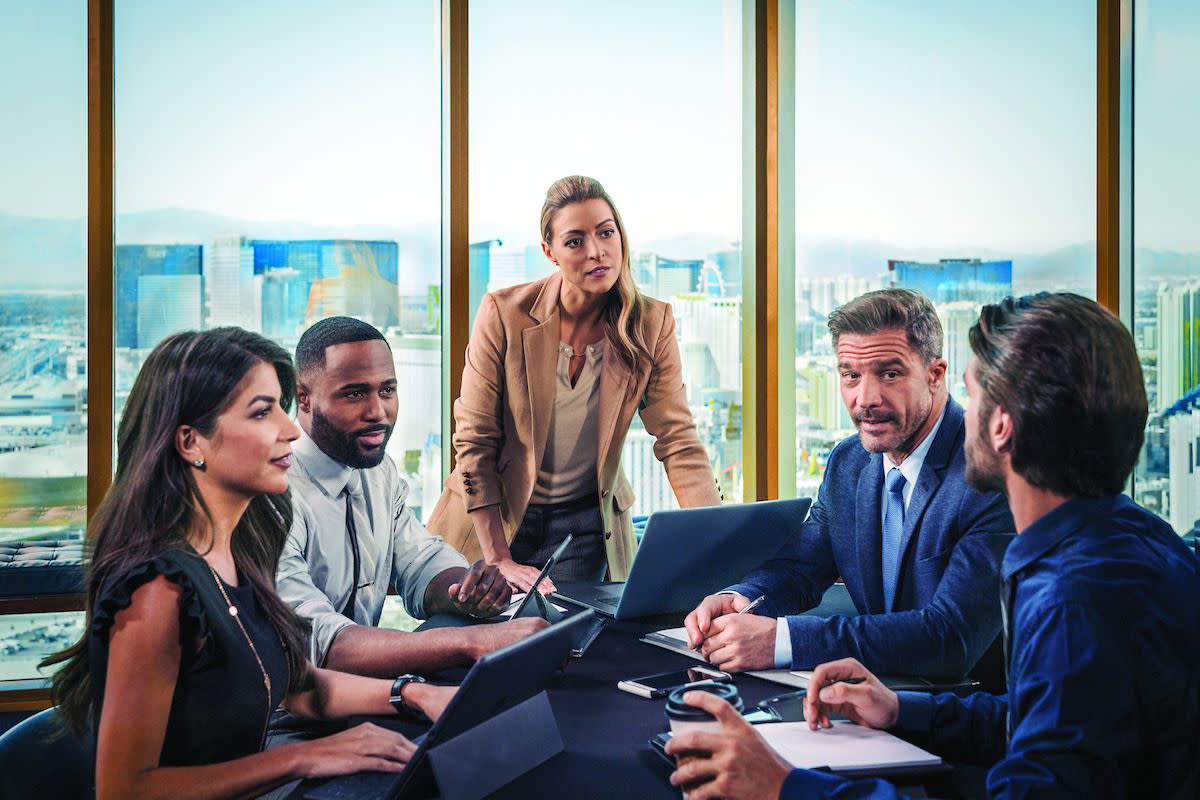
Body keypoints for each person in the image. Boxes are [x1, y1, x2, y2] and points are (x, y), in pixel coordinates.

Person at [665, 293, 1200, 799]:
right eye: (851, 375)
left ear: (1002, 427)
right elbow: (1035, 718)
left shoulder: (1072, 601)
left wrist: (784, 787)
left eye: (974, 390)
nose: (962, 412)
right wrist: (901, 709)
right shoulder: (1120, 543)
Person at [42, 328, 451, 800]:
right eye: (262, 412)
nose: (291, 429)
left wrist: (415, 694)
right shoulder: (157, 589)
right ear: (191, 442)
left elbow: (299, 685)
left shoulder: (243, 548)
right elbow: (125, 790)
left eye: (281, 406)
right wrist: (303, 757)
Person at [685, 289, 1013, 679]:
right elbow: (801, 567)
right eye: (851, 376)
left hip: (965, 717)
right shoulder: (850, 462)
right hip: (870, 701)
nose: (865, 398)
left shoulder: (987, 472)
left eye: (889, 374)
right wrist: (741, 599)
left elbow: (950, 638)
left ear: (934, 375)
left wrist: (783, 641)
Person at [427, 175, 722, 592]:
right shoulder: (503, 314)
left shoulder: (650, 325)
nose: (597, 252)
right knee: (476, 644)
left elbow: (677, 439)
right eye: (574, 241)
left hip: (581, 529)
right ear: (549, 252)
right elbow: (474, 441)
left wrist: (715, 538)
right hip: (491, 521)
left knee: (564, 646)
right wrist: (497, 558)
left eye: (606, 232)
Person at [276, 317, 545, 678]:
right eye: (354, 394)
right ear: (304, 397)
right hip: (289, 713)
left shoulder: (379, 470)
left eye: (387, 391)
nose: (377, 412)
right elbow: (314, 642)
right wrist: (474, 641)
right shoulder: (273, 494)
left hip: (362, 693)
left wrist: (466, 590)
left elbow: (420, 561)